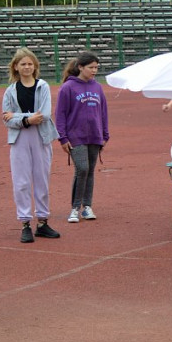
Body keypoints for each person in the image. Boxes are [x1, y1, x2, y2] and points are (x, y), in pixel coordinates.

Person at [2, 48, 61, 243]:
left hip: (40, 137)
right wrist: (26, 119)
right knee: (21, 181)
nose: (27, 67)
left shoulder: (42, 86)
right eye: (23, 64)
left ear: (35, 67)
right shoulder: (10, 90)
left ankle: (42, 222)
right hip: (19, 138)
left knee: (41, 179)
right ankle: (25, 223)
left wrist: (17, 117)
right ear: (16, 67)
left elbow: (43, 115)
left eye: (30, 64)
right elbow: (5, 118)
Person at [55, 51, 109, 224]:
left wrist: (105, 134)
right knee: (82, 169)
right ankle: (74, 208)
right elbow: (60, 114)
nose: (94, 71)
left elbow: (103, 112)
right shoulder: (67, 88)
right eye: (91, 67)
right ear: (80, 67)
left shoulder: (97, 87)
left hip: (95, 135)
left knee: (90, 171)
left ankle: (87, 207)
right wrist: (62, 138)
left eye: (96, 68)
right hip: (75, 136)